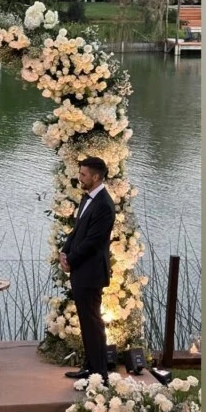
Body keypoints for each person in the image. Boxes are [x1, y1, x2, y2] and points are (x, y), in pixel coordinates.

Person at [59, 157, 116, 382]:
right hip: (81, 270)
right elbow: (77, 231)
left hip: (90, 272)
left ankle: (99, 374)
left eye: (83, 175)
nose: (79, 177)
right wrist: (65, 252)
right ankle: (89, 367)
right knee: (86, 322)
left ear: (95, 177)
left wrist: (71, 260)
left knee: (93, 323)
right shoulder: (88, 199)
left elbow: (93, 240)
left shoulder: (103, 204)